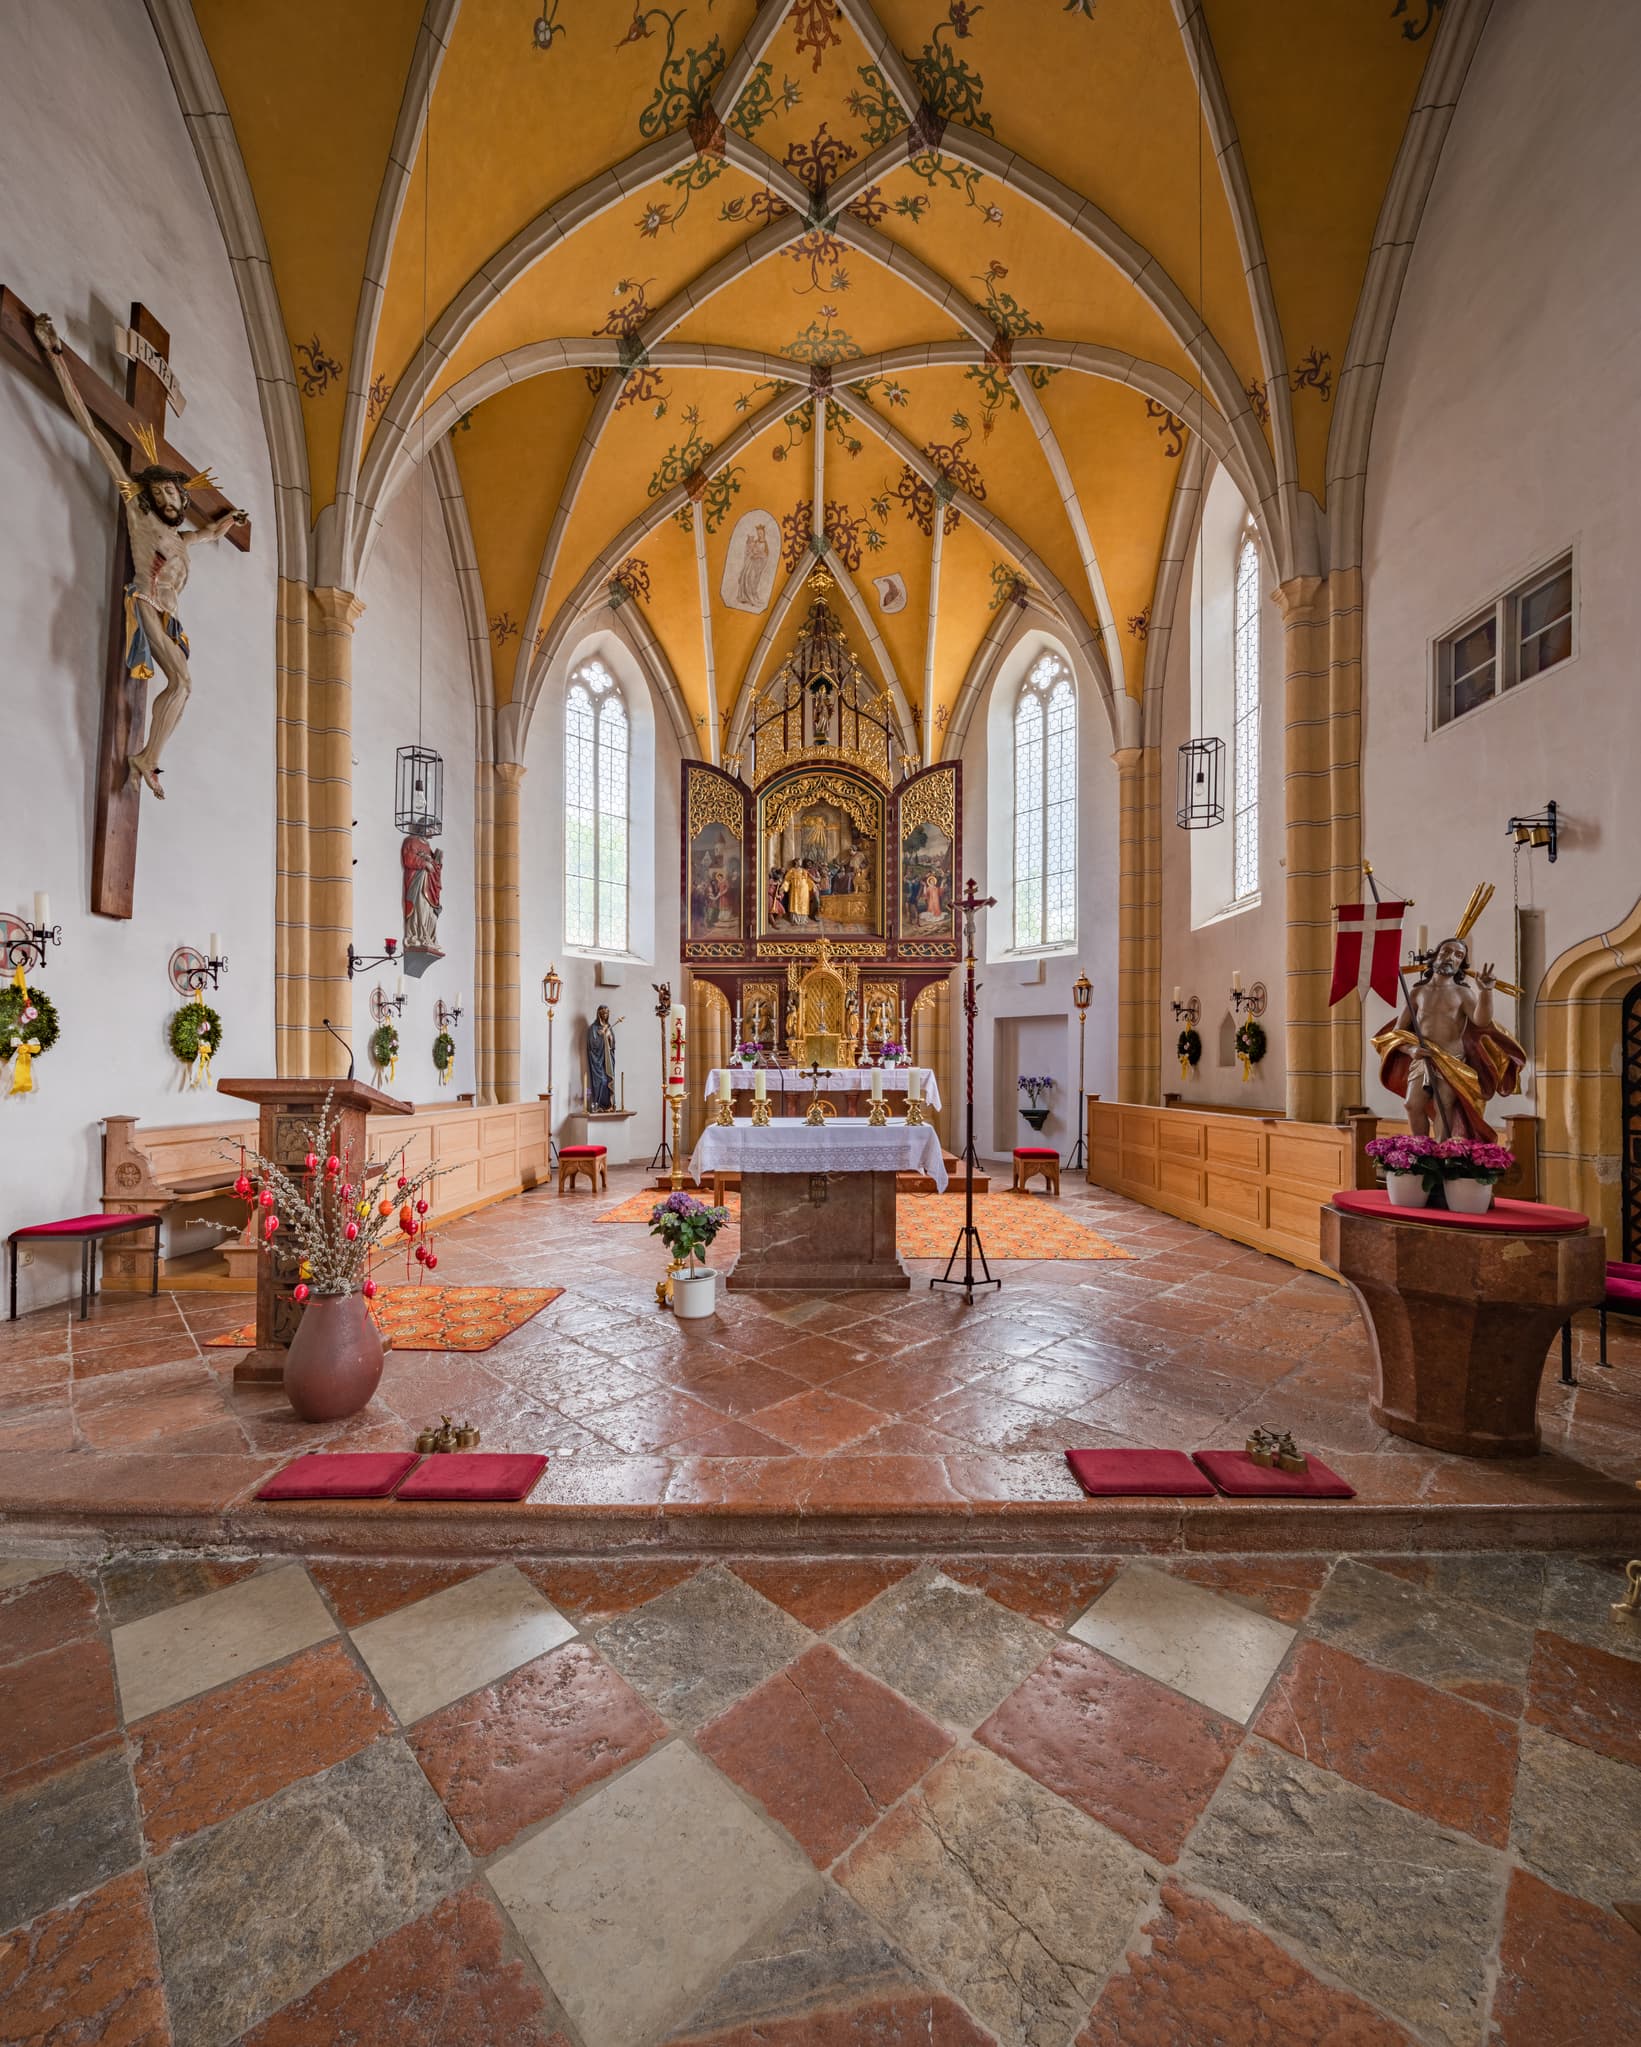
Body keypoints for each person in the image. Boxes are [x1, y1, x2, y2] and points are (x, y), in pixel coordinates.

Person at [34, 312, 247, 798]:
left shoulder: (181, 539)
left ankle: (148, 757)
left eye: (178, 496)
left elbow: (211, 535)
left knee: (181, 686)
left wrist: (230, 523)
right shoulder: (139, 514)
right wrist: (56, 356)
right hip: (146, 601)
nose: (174, 501)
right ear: (152, 496)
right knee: (183, 684)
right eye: (167, 495)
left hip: (169, 615)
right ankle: (147, 757)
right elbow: (90, 427)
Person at [1373, 936, 1525, 1140]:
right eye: (1446, 951)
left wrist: (1486, 992)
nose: (1450, 957)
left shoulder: (1463, 993)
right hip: (1423, 1057)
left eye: (1458, 955)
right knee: (1412, 1104)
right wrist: (1410, 1050)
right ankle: (1420, 1151)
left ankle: (1441, 1155)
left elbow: (1481, 1021)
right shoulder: (1418, 992)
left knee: (1443, 1107)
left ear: (1461, 964)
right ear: (1435, 956)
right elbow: (1398, 1032)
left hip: (1451, 1059)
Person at [586, 1005, 617, 1111]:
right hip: (597, 1061)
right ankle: (598, 1105)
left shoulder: (608, 1027)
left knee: (609, 1080)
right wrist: (601, 1036)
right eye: (603, 1013)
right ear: (599, 1014)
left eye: (607, 1013)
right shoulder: (593, 1028)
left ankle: (609, 1104)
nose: (605, 1015)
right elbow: (592, 1045)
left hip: (608, 1060)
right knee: (601, 1081)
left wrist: (609, 1036)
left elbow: (613, 1046)